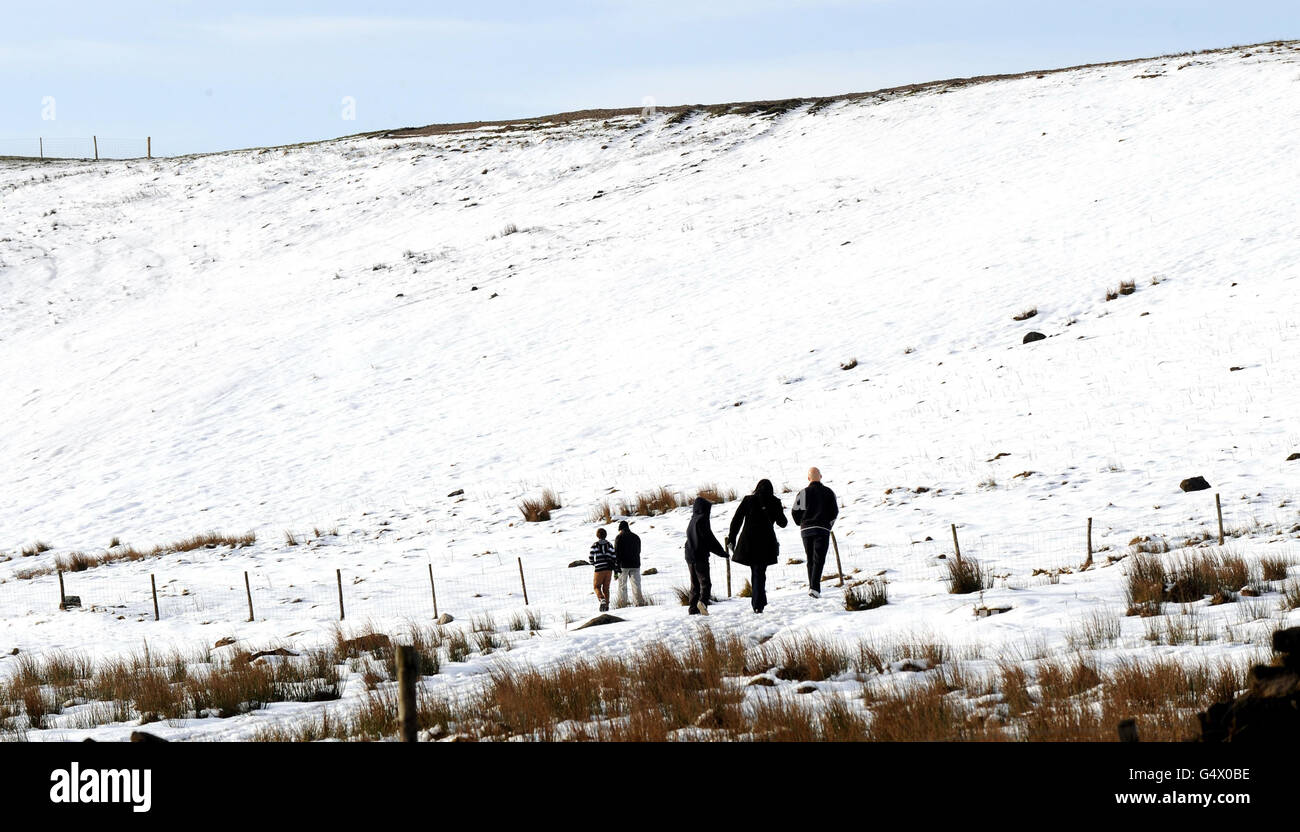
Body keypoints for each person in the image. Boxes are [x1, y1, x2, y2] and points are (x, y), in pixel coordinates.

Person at [727, 479, 788, 613]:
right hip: (766, 543)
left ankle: (759, 601)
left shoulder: (748, 500)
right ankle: (758, 603)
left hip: (748, 542)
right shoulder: (775, 501)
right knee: (760, 572)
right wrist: (779, 510)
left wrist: (732, 538)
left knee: (756, 571)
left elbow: (736, 520)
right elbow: (782, 523)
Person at [792, 467, 839, 597]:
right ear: (821, 476)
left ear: (808, 478)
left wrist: (800, 522)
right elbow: (834, 511)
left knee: (810, 559)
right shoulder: (828, 492)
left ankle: (812, 587)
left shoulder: (803, 493)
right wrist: (829, 525)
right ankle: (814, 588)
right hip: (822, 529)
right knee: (819, 558)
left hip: (806, 530)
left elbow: (795, 512)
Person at [684, 496, 726, 615]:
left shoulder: (692, 520)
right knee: (705, 583)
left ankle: (693, 609)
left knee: (694, 584)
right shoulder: (702, 520)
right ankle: (702, 603)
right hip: (699, 556)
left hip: (689, 556)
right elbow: (709, 539)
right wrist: (721, 552)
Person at [613, 520, 645, 608]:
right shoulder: (636, 537)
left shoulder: (619, 537)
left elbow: (616, 553)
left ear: (620, 529)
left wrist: (616, 569)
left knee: (622, 586)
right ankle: (639, 603)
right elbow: (639, 551)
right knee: (636, 585)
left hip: (623, 565)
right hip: (635, 564)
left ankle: (622, 605)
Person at [589, 527, 617, 612]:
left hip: (599, 568)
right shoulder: (609, 544)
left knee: (596, 586)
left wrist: (594, 564)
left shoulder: (595, 545)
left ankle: (602, 599)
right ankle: (607, 606)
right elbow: (614, 556)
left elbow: (591, 557)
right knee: (606, 588)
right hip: (609, 569)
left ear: (597, 535)